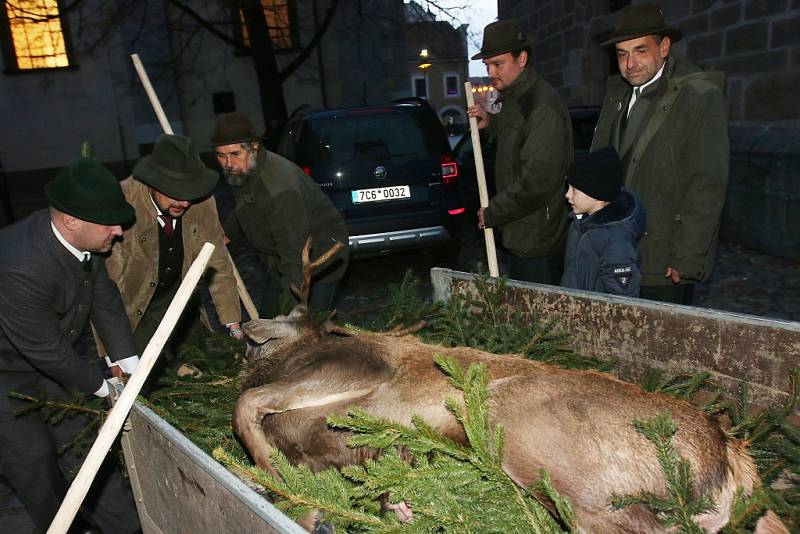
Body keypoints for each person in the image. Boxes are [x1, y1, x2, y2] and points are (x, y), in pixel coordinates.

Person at [0, 158, 141, 533]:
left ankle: (128, 526)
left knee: (85, 445)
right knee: (33, 459)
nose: (119, 231)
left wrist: (131, 366)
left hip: (53, 359)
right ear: (70, 221)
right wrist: (105, 387)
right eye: (109, 223)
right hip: (5, 375)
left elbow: (103, 299)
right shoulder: (20, 266)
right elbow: (46, 350)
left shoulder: (84, 244)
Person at [591, 3, 729, 305]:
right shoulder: (617, 93)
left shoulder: (699, 98)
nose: (630, 64)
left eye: (640, 50)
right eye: (622, 54)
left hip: (663, 259)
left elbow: (706, 184)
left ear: (664, 47)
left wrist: (688, 255)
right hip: (617, 247)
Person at [104, 134, 243, 360]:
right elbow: (108, 289)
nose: (185, 203)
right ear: (152, 183)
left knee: (197, 366)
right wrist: (113, 354)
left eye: (190, 194)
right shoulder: (122, 203)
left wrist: (234, 328)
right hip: (133, 308)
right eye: (176, 193)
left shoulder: (202, 202)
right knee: (140, 378)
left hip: (179, 302)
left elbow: (219, 266)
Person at [210, 112, 349, 317]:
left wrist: (289, 313)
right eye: (221, 156)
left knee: (308, 330)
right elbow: (246, 207)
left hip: (320, 258)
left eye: (235, 154)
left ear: (254, 146)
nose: (228, 163)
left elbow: (294, 252)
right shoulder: (245, 170)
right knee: (270, 322)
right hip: (282, 258)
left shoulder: (280, 188)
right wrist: (227, 233)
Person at [467, 19, 572, 285]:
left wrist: (493, 212)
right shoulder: (516, 98)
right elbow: (518, 136)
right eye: (487, 65)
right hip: (520, 233)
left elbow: (536, 182)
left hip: (538, 238)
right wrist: (492, 124)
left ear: (522, 58)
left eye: (498, 64)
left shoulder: (542, 107)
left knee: (539, 322)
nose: (491, 72)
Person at [561, 147, 645, 297]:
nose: (567, 195)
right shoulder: (580, 223)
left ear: (596, 193)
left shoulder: (615, 242)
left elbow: (623, 299)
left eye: (574, 190)